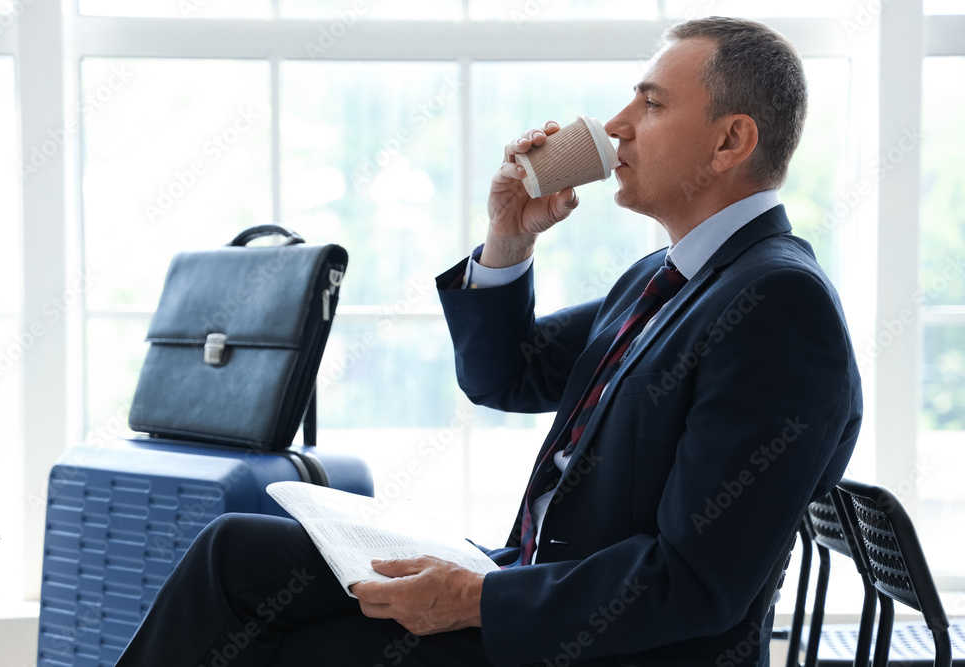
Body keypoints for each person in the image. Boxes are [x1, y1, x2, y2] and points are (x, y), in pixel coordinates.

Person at [114, 16, 861, 667]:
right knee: (235, 553)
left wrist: (477, 600)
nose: (617, 124)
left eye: (653, 103)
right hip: (520, 584)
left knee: (268, 644)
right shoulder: (665, 278)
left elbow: (696, 581)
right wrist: (509, 239)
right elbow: (507, 375)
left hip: (603, 645)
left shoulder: (777, 304)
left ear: (731, 140)